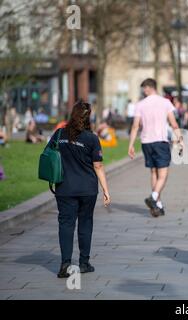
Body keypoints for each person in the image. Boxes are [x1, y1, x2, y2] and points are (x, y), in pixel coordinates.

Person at [45, 101, 111, 278]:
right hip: (87, 189)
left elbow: (48, 155)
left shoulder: (59, 134)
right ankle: (83, 263)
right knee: (85, 223)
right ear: (88, 117)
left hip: (64, 188)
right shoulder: (91, 138)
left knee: (66, 224)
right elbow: (98, 166)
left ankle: (65, 263)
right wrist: (106, 190)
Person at [128, 78, 183, 217]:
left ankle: (157, 205)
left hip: (146, 142)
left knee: (153, 173)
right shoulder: (165, 102)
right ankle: (153, 197)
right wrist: (180, 139)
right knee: (163, 175)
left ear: (148, 88)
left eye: (144, 88)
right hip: (160, 141)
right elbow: (174, 124)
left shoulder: (140, 104)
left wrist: (131, 145)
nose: (143, 91)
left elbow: (135, 126)